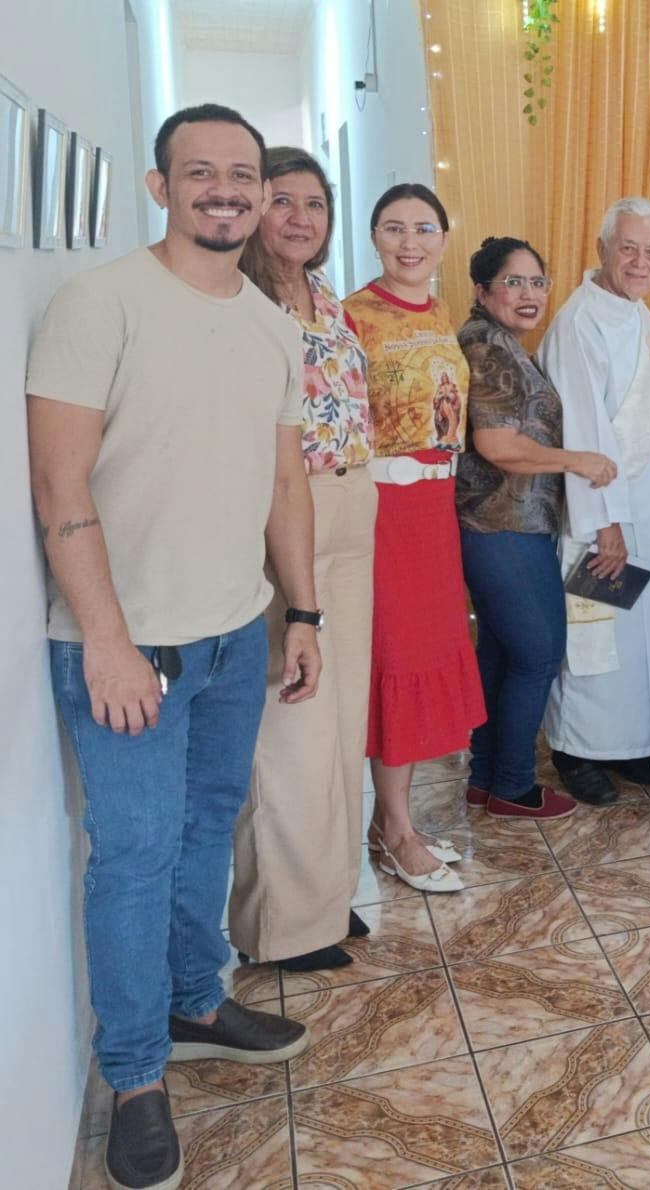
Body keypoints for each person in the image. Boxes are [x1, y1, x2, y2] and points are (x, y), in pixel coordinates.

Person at [27, 104, 316, 1190]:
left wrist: (305, 614)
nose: (227, 192)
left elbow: (284, 479)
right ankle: (136, 1073)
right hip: (126, 642)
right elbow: (58, 483)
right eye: (201, 174)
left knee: (208, 826)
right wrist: (105, 639)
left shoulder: (270, 322)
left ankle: (197, 997)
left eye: (243, 174)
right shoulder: (98, 302)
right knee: (136, 857)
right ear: (160, 187)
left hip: (236, 631)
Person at [228, 147, 376, 974]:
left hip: (353, 504)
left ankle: (325, 896)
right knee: (289, 722)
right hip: (286, 509)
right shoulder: (238, 299)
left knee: (337, 720)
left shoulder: (323, 298)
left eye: (313, 204)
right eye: (280, 200)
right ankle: (279, 925)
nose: (298, 217)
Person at [344, 183, 484, 893]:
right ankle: (397, 831)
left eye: (423, 228)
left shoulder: (437, 310)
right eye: (393, 228)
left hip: (435, 510)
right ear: (374, 237)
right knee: (395, 661)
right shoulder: (351, 316)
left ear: (443, 239)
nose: (409, 242)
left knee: (428, 651)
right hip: (383, 511)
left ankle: (392, 821)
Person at [538, 197, 650, 803]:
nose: (639, 261)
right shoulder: (580, 322)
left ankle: (632, 746)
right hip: (605, 521)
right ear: (601, 248)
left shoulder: (636, 313)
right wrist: (607, 525)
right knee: (598, 636)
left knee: (644, 638)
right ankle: (577, 751)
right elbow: (584, 429)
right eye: (627, 247)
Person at [457, 236, 614, 820]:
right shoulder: (488, 346)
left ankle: (485, 777)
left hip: (505, 524)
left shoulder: (503, 343)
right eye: (513, 282)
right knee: (540, 653)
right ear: (482, 290)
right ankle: (515, 785)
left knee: (501, 654)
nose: (529, 295)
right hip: (501, 525)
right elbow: (496, 443)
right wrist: (578, 459)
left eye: (537, 282)